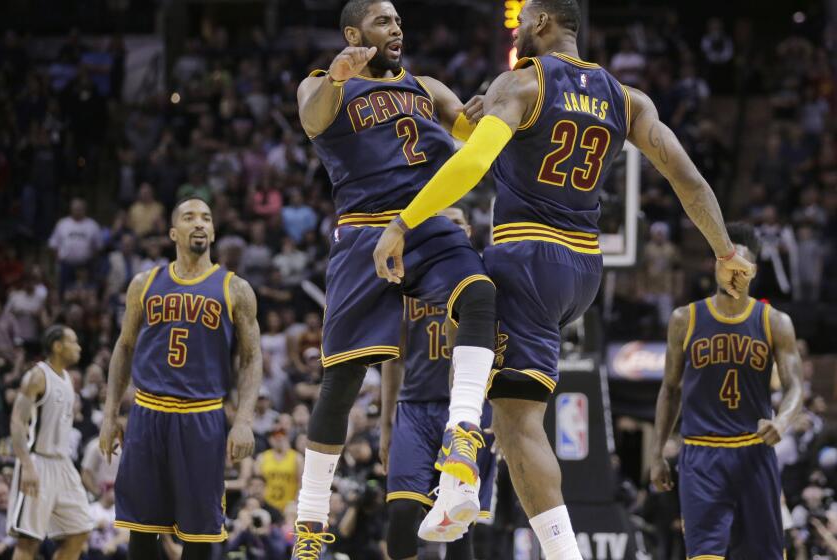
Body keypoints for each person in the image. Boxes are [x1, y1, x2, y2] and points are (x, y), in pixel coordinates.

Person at [372, 1, 755, 557]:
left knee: (504, 392)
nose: (521, 28)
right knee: (506, 396)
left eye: (525, 18)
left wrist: (403, 222)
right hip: (582, 270)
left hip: (525, 256)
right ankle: (469, 482)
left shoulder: (524, 81)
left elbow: (473, 163)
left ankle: (469, 480)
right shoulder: (627, 99)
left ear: (544, 21)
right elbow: (687, 177)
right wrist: (723, 250)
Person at [291, 1, 498, 556]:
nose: (397, 28)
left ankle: (462, 431)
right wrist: (337, 75)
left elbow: (475, 132)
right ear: (355, 33)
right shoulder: (322, 83)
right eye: (385, 21)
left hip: (423, 222)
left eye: (400, 21)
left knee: (480, 295)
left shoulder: (426, 85)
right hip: (363, 231)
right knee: (341, 382)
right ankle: (310, 522)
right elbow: (312, 119)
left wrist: (491, 109)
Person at [99, 197, 263, 560]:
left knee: (201, 533)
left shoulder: (235, 288)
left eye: (206, 218)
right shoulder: (144, 283)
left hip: (202, 416)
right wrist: (110, 414)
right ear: (174, 232)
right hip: (147, 414)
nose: (200, 223)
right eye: (189, 217)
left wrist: (244, 420)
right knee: (141, 531)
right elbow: (123, 348)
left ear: (214, 231)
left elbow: (251, 358)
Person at [650, 223, 803, 560]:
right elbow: (670, 389)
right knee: (703, 555)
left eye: (740, 266)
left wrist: (783, 421)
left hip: (753, 452)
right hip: (701, 456)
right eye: (725, 263)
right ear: (715, 265)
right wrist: (657, 451)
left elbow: (795, 387)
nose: (732, 272)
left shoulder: (774, 322)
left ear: (753, 271)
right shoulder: (684, 319)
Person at [381, 209, 497, 559]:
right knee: (400, 514)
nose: (447, 228)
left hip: (468, 415)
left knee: (460, 529)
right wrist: (386, 422)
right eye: (439, 221)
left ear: (468, 230)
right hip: (414, 407)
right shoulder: (409, 280)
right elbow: (394, 357)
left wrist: (505, 416)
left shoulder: (486, 280)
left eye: (455, 222)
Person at [7, 325, 93, 560]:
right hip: (38, 463)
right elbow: (17, 422)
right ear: (57, 346)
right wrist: (27, 465)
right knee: (29, 541)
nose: (79, 347)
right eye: (73, 342)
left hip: (63, 464)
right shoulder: (37, 376)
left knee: (80, 531)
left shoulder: (66, 378)